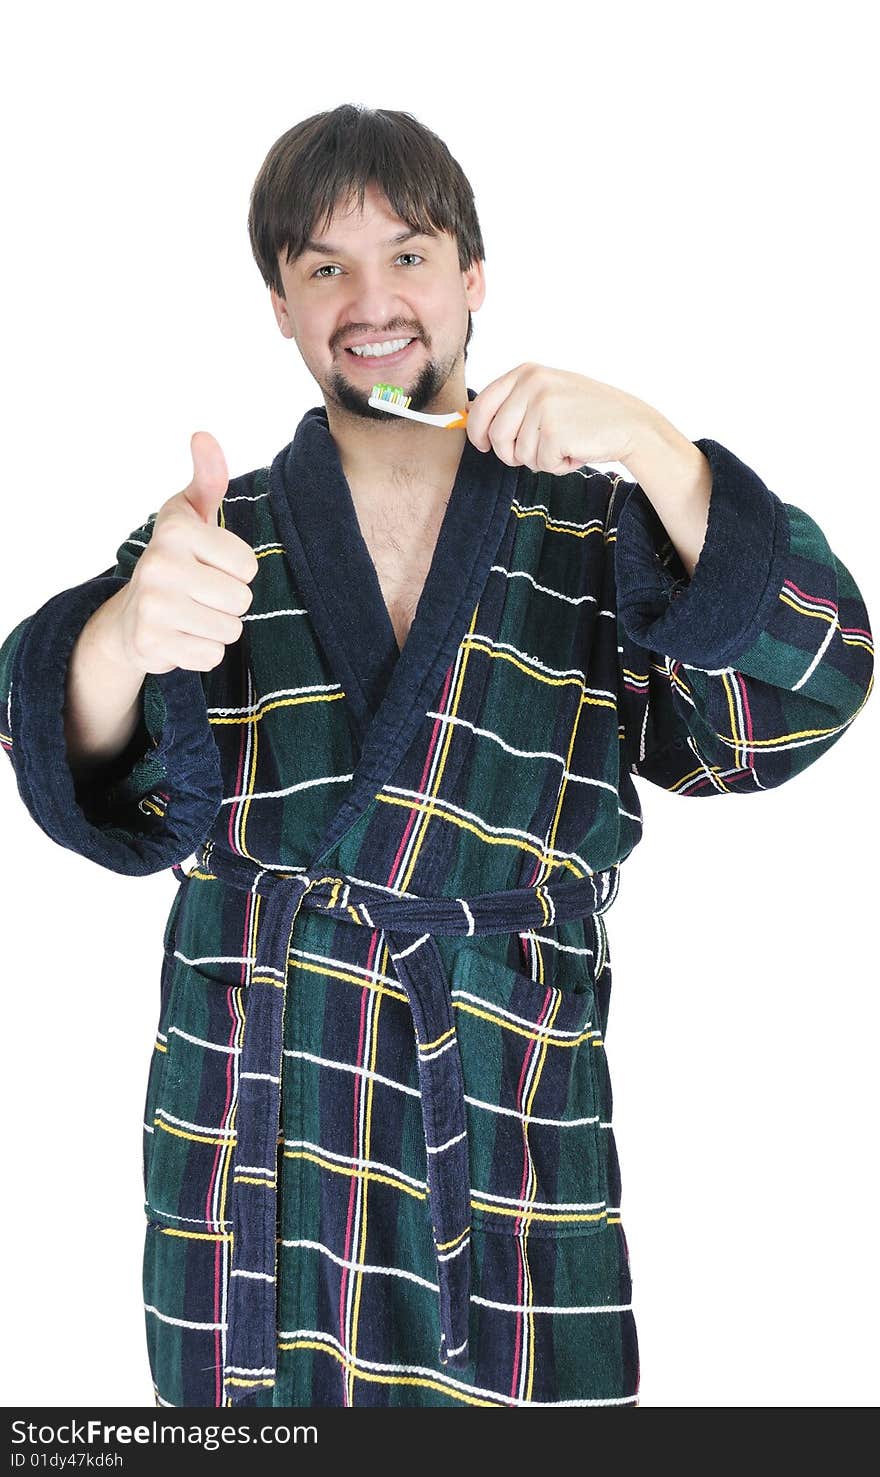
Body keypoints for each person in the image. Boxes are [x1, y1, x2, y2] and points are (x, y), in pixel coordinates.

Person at [0, 104, 873, 1411]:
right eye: (322, 267)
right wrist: (119, 638)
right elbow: (79, 767)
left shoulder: (594, 521)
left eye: (408, 255)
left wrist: (658, 448)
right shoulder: (217, 534)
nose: (370, 300)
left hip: (505, 1090)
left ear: (475, 278)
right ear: (284, 311)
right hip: (261, 1102)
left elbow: (808, 687)